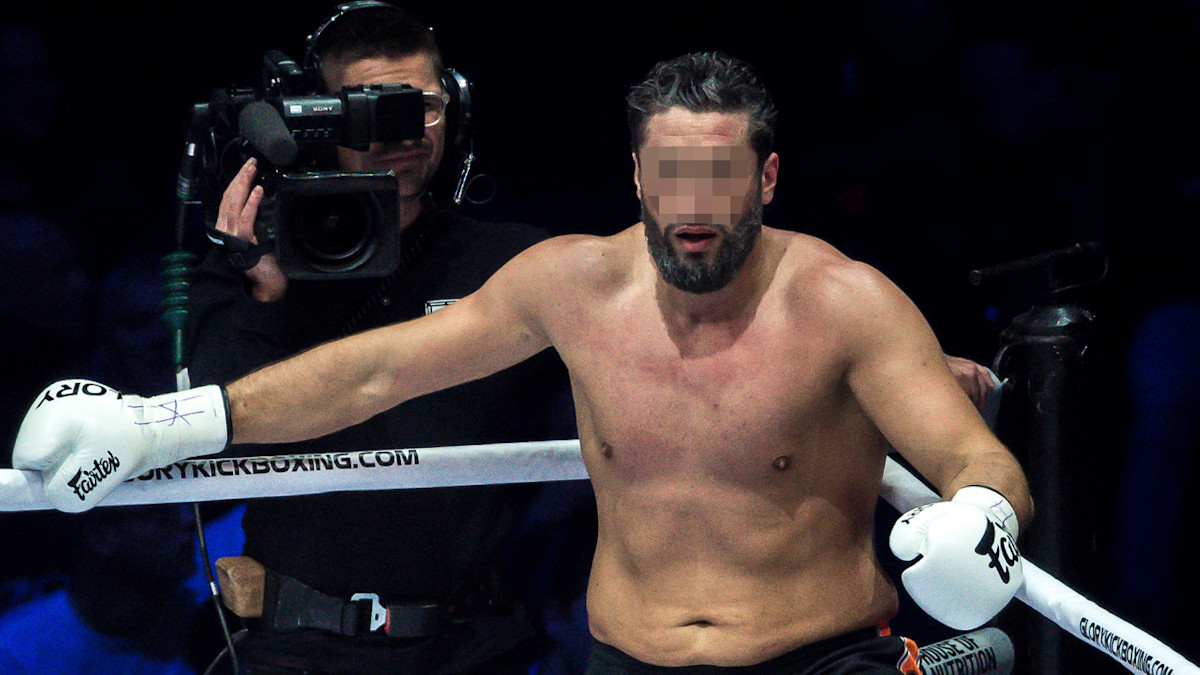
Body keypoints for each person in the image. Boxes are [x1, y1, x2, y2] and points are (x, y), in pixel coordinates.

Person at [16, 51, 1032, 673]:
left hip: (817, 661)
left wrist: (983, 513)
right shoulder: (574, 285)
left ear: (765, 178)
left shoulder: (845, 303)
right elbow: (375, 372)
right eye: (671, 174)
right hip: (627, 663)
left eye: (719, 176)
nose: (692, 207)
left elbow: (975, 458)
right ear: (637, 174)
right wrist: (159, 425)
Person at [181, 2, 571, 673]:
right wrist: (265, 292)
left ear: (456, 107)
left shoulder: (516, 264)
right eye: (368, 109)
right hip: (298, 650)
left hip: (474, 645)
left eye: (420, 106)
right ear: (317, 121)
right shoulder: (252, 263)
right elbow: (219, 428)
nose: (401, 131)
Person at [0, 504, 206, 675]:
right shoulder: (15, 653)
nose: (189, 519)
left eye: (185, 506)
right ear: (100, 538)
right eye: (158, 515)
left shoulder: (207, 613)